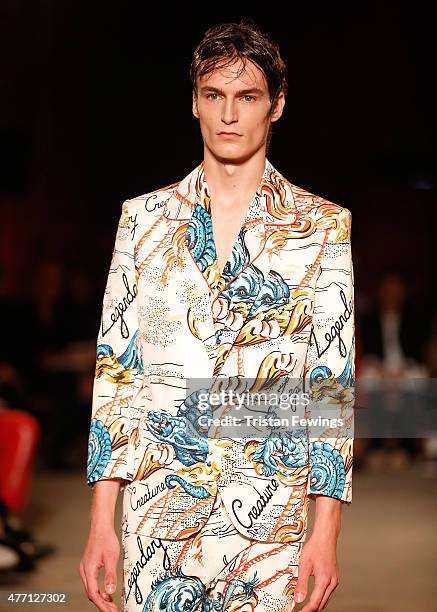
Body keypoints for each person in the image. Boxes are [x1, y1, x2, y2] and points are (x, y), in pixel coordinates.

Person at [80, 19, 356, 612]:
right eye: (215, 95)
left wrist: (325, 529)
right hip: (156, 519)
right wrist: (102, 519)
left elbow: (331, 389)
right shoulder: (144, 220)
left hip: (266, 525)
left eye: (248, 96)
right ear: (196, 104)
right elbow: (117, 374)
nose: (230, 114)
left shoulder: (322, 226)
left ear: (276, 106)